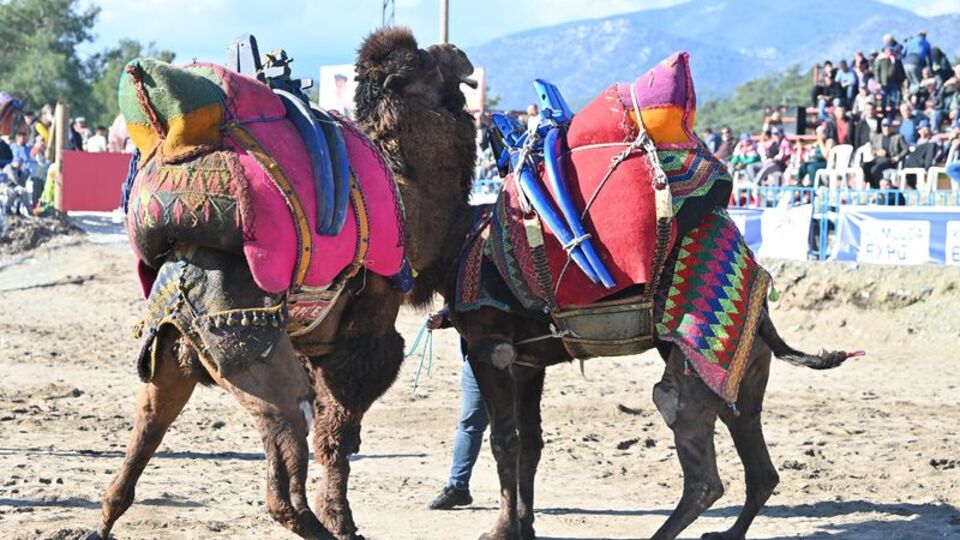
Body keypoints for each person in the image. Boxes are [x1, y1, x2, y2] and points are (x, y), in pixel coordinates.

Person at [427, 307, 489, 510]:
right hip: (477, 358)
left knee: (516, 425)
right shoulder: (466, 288)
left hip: (515, 359)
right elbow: (463, 302)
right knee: (470, 422)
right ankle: (458, 487)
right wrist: (444, 318)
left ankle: (519, 495)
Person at [868, 117, 909, 186]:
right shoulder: (877, 137)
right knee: (864, 166)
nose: (886, 128)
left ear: (892, 127)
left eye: (888, 126)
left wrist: (897, 158)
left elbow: (906, 149)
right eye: (884, 126)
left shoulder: (898, 137)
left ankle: (877, 187)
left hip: (890, 160)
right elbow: (872, 150)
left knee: (874, 169)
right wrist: (877, 152)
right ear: (882, 127)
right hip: (878, 159)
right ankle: (872, 185)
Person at [875, 46, 905, 115]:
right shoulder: (881, 60)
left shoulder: (897, 61)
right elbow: (876, 71)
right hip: (884, 82)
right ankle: (883, 112)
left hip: (894, 82)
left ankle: (892, 112)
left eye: (891, 51)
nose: (890, 53)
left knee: (894, 98)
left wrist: (901, 81)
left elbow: (901, 71)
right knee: (884, 97)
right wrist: (878, 82)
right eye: (888, 51)